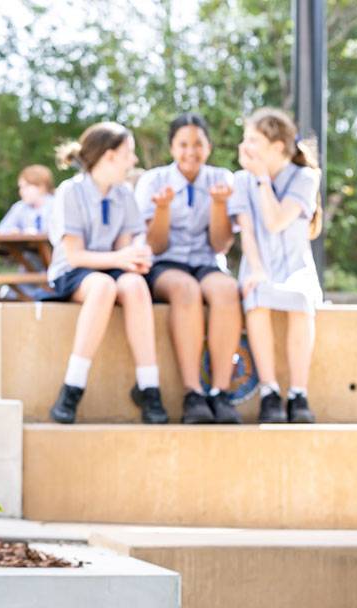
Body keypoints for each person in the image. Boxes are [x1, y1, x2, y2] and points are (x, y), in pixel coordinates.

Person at [45, 122, 168, 425]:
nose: (134, 161)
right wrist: (121, 257)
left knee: (136, 286)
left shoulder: (124, 195)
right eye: (130, 153)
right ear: (111, 156)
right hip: (73, 272)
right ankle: (73, 386)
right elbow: (74, 255)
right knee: (102, 287)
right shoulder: (70, 192)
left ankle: (149, 386)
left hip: (110, 267)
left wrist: (134, 260)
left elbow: (124, 248)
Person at [134, 113, 243, 424]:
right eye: (183, 144)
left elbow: (221, 244)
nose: (190, 152)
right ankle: (193, 392)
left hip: (208, 262)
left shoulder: (222, 179)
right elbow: (154, 246)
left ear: (208, 147)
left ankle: (220, 392)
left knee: (226, 291)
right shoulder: (153, 181)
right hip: (167, 264)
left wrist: (220, 206)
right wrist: (162, 210)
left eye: (198, 144)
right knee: (186, 290)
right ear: (172, 148)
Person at [228, 107, 323, 423]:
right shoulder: (240, 181)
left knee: (300, 300)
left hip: (295, 267)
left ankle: (298, 392)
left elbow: (275, 220)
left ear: (277, 146)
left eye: (253, 140)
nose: (246, 147)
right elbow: (250, 232)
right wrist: (255, 269)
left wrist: (262, 180)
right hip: (261, 265)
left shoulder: (305, 178)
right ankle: (269, 391)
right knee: (257, 298)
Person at [0, 164, 55, 235]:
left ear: (41, 187)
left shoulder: (56, 205)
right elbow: (1, 229)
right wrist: (15, 231)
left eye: (26, 186)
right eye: (20, 187)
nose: (21, 191)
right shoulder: (20, 206)